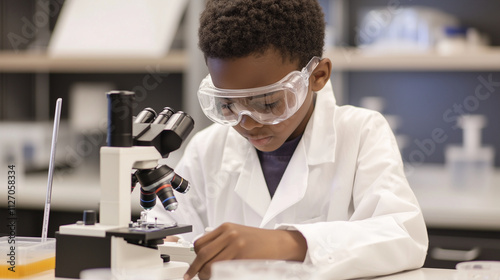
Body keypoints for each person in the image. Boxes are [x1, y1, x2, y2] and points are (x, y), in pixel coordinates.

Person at [148, 0, 428, 279]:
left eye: (268, 103)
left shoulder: (360, 133)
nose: (247, 123)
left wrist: (284, 243)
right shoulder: (207, 149)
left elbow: (404, 236)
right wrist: (161, 250)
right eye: (228, 105)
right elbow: (166, 228)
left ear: (317, 76)